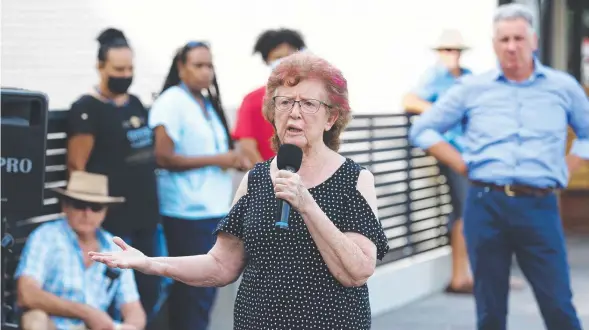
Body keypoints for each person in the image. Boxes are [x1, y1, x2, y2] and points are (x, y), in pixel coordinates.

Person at [90, 52, 389, 330]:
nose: (294, 113)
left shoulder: (354, 179)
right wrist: (151, 264)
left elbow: (357, 271)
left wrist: (308, 207)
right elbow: (220, 265)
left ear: (331, 118)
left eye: (309, 104)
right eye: (284, 102)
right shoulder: (257, 179)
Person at [409, 4, 588, 330]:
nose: (511, 46)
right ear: (494, 44)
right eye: (504, 39)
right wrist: (462, 164)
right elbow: (423, 129)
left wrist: (567, 167)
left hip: (539, 205)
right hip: (486, 204)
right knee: (490, 312)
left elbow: (588, 134)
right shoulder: (472, 88)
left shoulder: (562, 87)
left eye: (518, 38)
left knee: (559, 308)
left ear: (533, 41)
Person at [147, 41, 248, 330]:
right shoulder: (171, 101)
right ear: (181, 67)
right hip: (186, 213)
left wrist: (229, 160)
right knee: (192, 295)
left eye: (209, 65)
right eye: (198, 65)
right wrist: (218, 158)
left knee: (204, 294)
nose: (206, 72)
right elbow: (162, 156)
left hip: (213, 212)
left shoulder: (206, 103)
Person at [65, 28, 162, 322]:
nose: (125, 74)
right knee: (114, 295)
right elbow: (76, 167)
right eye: (118, 69)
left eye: (130, 68)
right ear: (101, 67)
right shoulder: (87, 109)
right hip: (114, 222)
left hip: (146, 215)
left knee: (150, 288)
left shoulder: (134, 103)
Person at [15, 171, 146, 330]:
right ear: (65, 206)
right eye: (79, 205)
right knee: (34, 318)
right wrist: (86, 312)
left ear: (105, 212)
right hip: (53, 325)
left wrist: (126, 327)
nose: (87, 214)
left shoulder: (114, 246)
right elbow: (26, 294)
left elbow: (134, 310)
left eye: (95, 207)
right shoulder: (46, 236)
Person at [403, 29, 474, 293]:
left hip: (471, 151)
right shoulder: (434, 77)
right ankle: (458, 278)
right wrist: (440, 113)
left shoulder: (468, 77)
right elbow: (409, 100)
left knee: (466, 212)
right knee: (465, 211)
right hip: (450, 151)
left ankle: (467, 275)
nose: (451, 55)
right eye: (446, 50)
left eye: (455, 50)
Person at [233, 28, 306, 166]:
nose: (285, 61)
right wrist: (267, 179)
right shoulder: (252, 100)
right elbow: (247, 146)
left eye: (290, 55)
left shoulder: (312, 95)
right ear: (267, 60)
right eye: (278, 57)